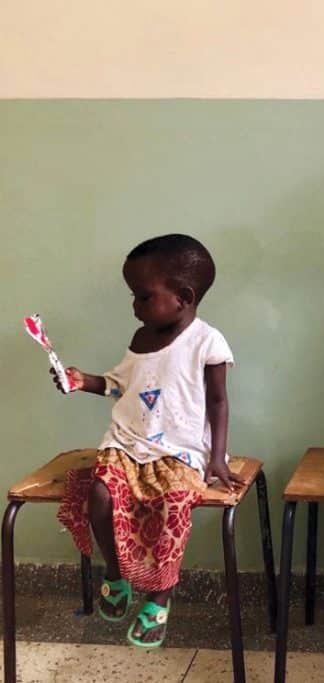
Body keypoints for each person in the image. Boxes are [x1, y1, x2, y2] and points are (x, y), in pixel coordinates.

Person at [54, 234, 244, 648]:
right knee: (101, 497)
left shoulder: (207, 342)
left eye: (143, 297)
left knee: (173, 506)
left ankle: (160, 596)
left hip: (181, 450)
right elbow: (119, 386)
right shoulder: (140, 340)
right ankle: (115, 574)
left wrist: (217, 459)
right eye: (134, 297)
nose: (135, 307)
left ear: (184, 296)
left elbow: (218, 401)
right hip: (127, 443)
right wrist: (82, 380)